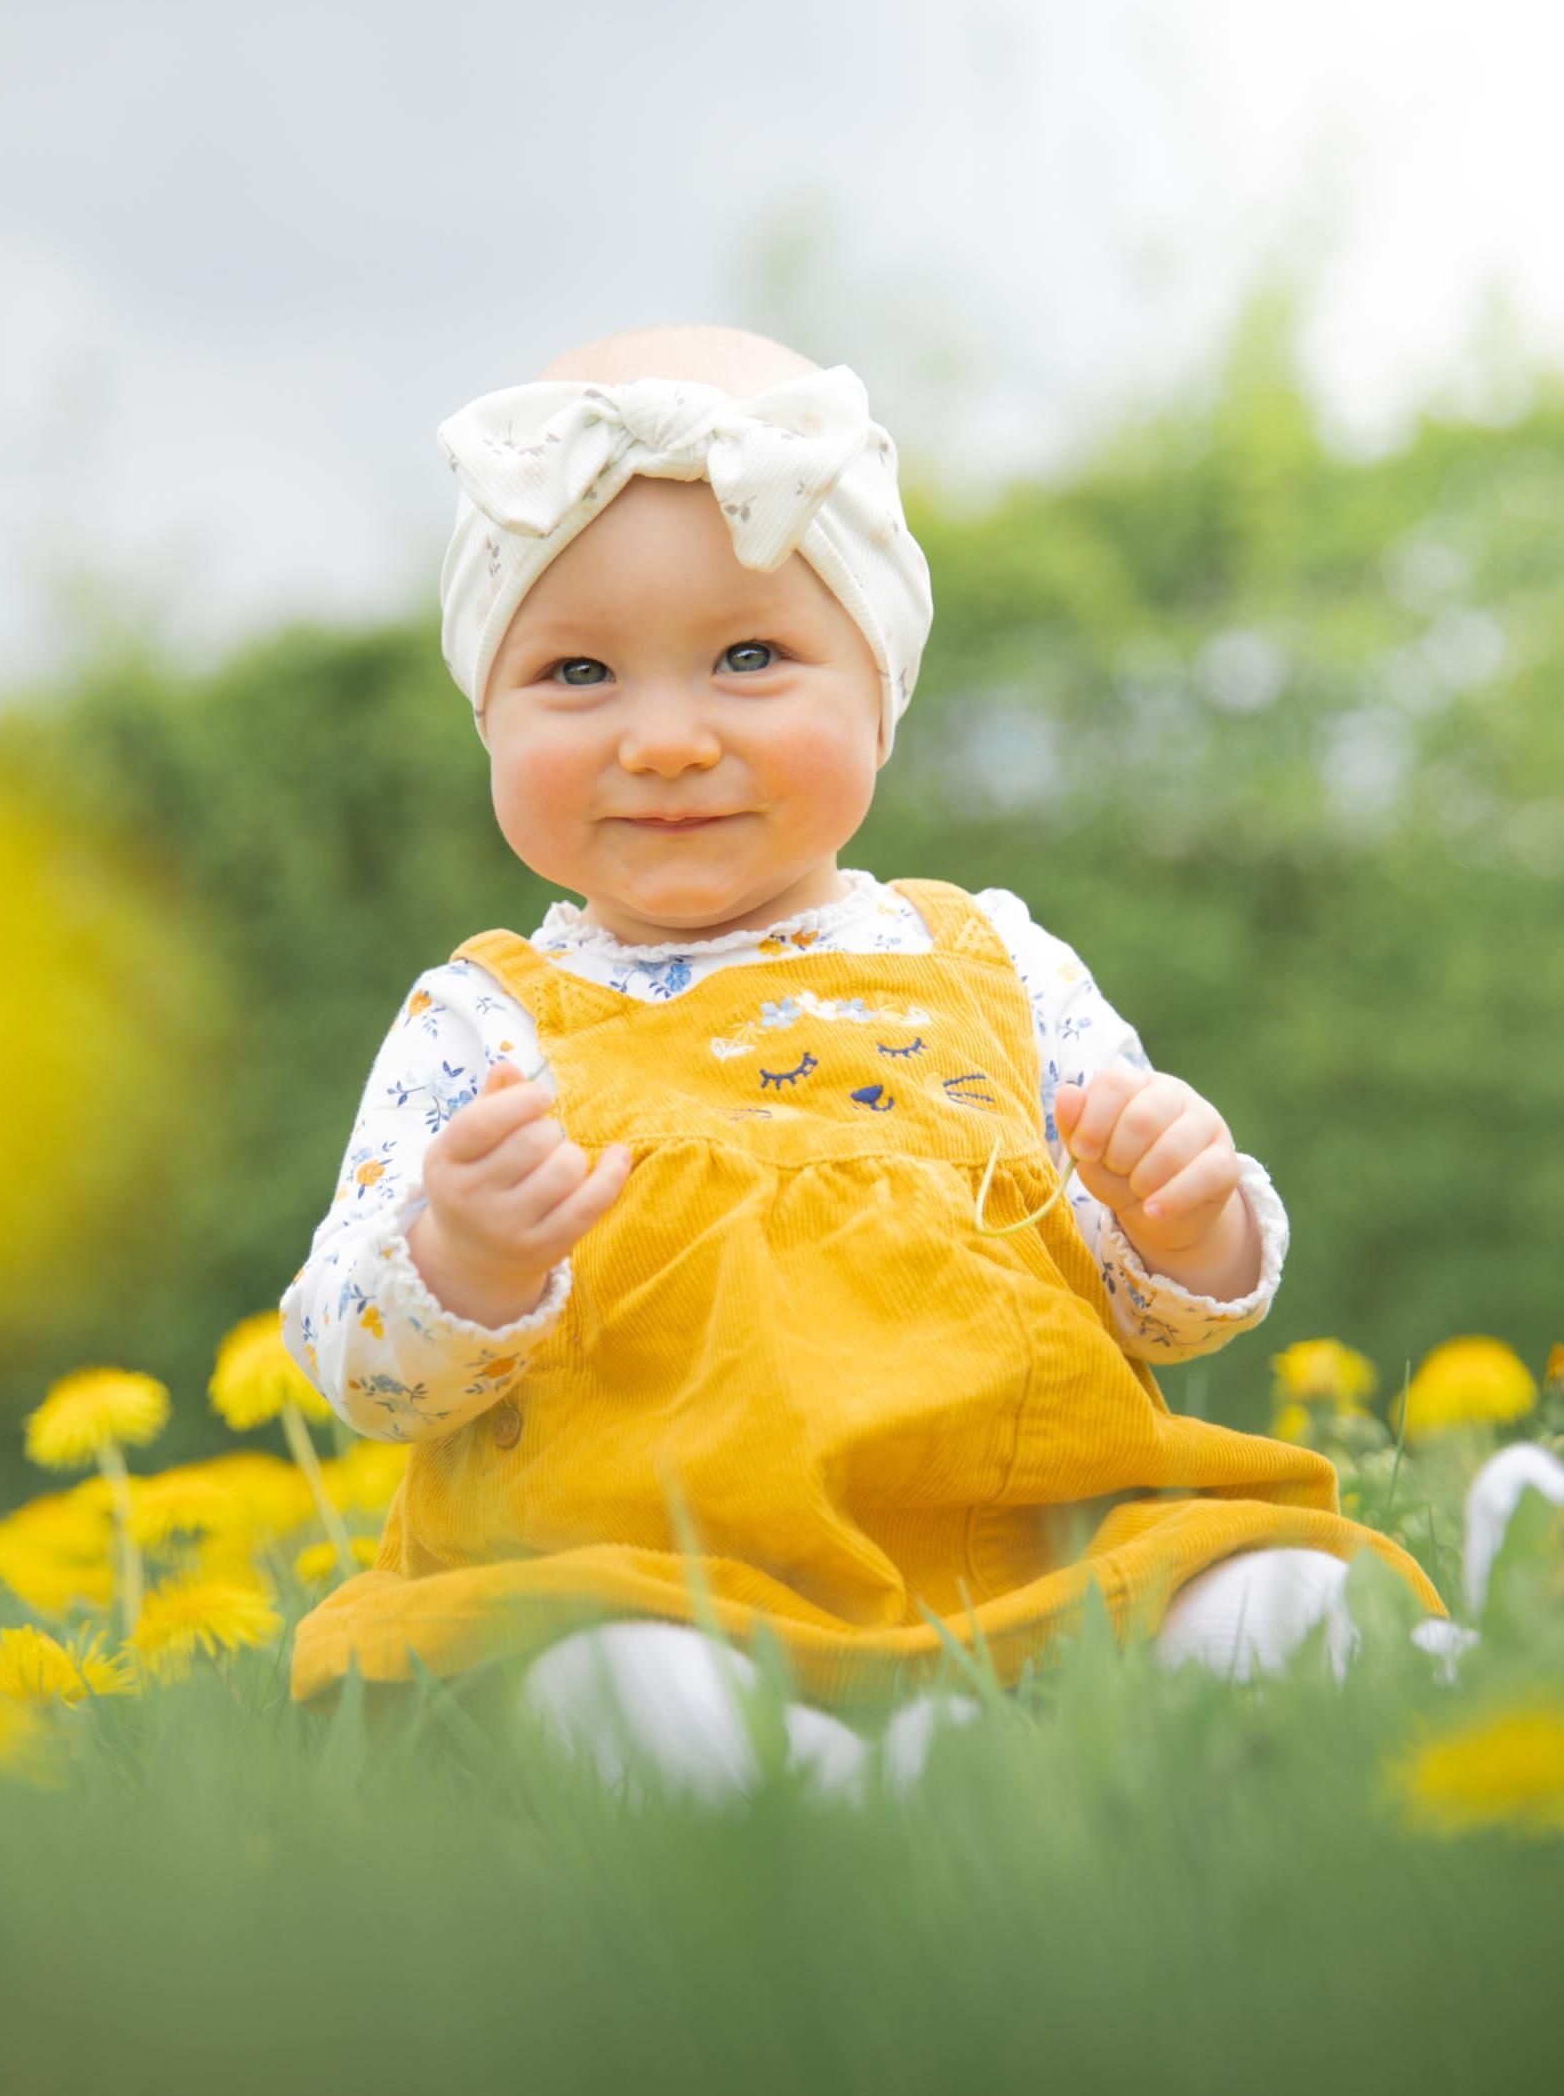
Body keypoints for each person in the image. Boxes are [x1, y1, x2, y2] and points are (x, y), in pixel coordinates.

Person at [280, 323, 1443, 1792]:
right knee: (599, 1680)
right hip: (656, 1580)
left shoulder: (994, 961)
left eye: (749, 657)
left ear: (879, 688)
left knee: (1264, 1583)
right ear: (487, 715)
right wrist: (462, 1258)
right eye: (577, 673)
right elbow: (355, 1365)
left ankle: (1388, 1686)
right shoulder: (486, 1021)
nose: (665, 739)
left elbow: (1163, 1303)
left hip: (1047, 1548)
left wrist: (1183, 1215)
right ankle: (830, 1795)